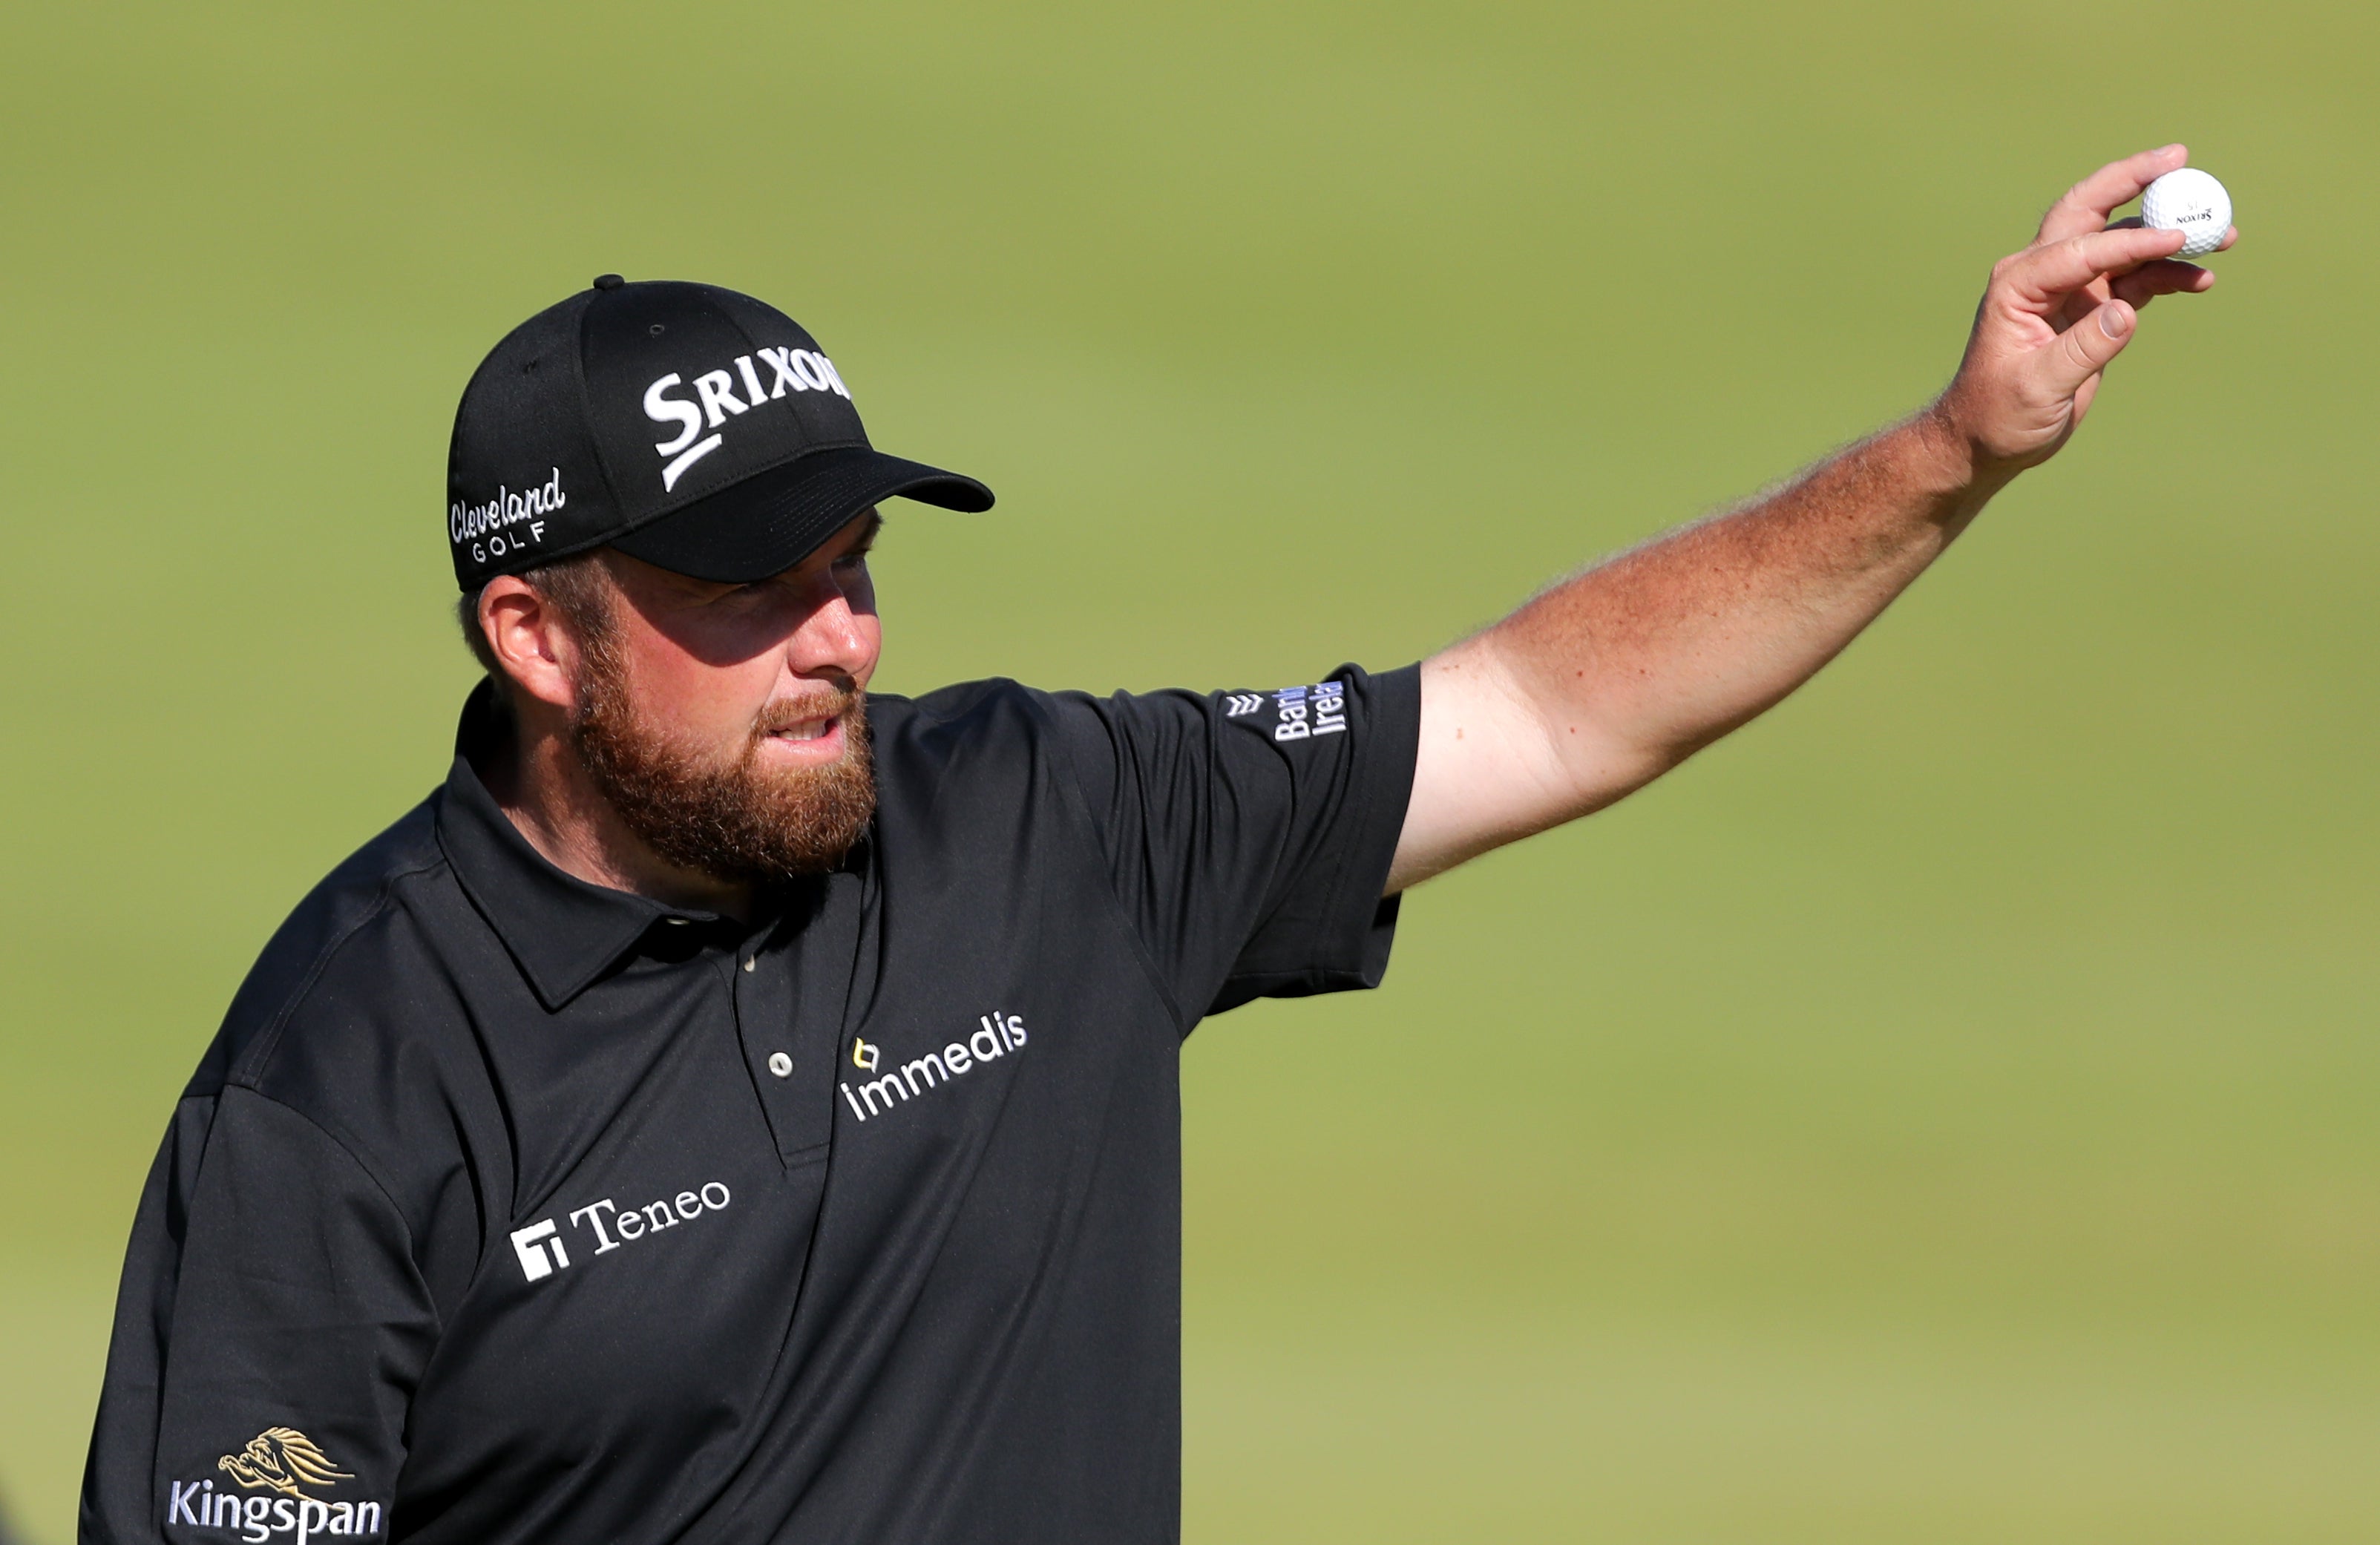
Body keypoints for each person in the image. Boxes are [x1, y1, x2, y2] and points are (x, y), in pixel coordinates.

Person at [83, 147, 2229, 1545]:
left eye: (851, 560)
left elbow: (1556, 704)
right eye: (752, 587)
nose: (847, 633)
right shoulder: (343, 1083)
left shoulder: (1044, 824)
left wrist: (1953, 453)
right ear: (535, 634)